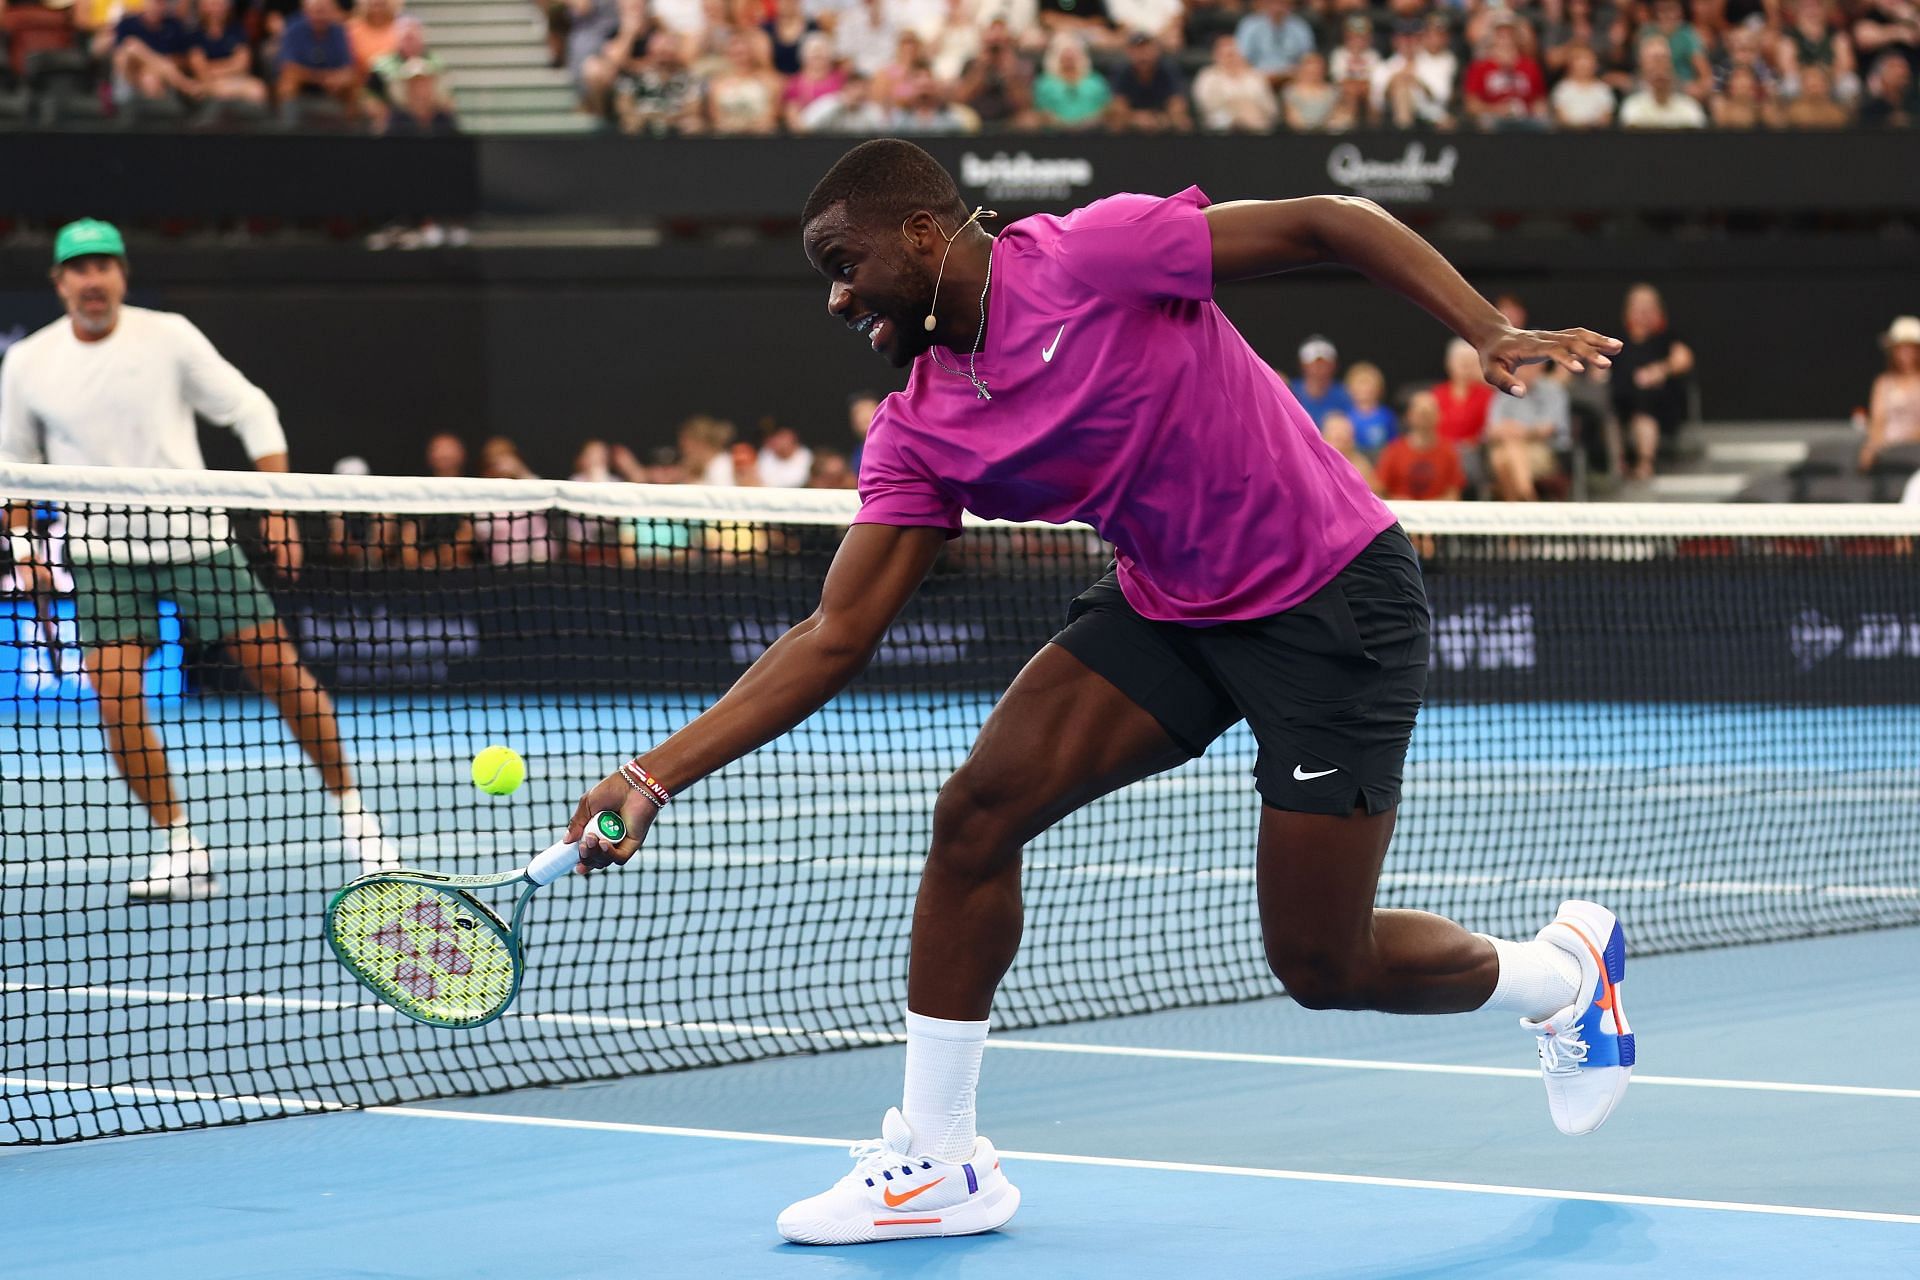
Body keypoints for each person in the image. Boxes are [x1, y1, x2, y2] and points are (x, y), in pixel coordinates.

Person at [560, 139, 1632, 1246]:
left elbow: (1330, 221)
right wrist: (653, 775)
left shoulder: (1097, 255)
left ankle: (1563, 973)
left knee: (1322, 962)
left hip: (1329, 603)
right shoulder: (921, 427)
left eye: (846, 261)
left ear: (926, 237)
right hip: (1172, 607)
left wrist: (1484, 326)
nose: (836, 296)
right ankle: (937, 1161)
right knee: (978, 815)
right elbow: (835, 632)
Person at [0, 220, 400, 901]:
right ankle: (181, 848)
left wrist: (274, 503)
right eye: (79, 268)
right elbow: (17, 465)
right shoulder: (28, 362)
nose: (92, 279)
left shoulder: (170, 335)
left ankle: (361, 825)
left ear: (122, 273)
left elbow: (251, 409)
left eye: (104, 265)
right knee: (117, 699)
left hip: (196, 539)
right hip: (100, 554)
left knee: (281, 675)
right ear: (60, 282)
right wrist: (24, 548)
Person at [1607, 282, 1693, 481]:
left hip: (1655, 400)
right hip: (1618, 400)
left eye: (1648, 307)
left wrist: (1660, 370)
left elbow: (1684, 359)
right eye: (1637, 307)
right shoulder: (1616, 338)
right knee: (1606, 406)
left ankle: (1645, 463)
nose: (1642, 313)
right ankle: (1617, 465)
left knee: (1643, 403)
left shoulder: (1667, 337)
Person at [1483, 359, 1571, 500]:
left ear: (1541, 366)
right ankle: (1528, 498)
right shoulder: (1505, 390)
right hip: (1509, 445)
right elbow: (1491, 429)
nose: (1524, 371)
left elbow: (1548, 428)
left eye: (1530, 367)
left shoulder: (1553, 391)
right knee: (1507, 452)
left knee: (1502, 459)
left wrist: (1522, 431)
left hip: (1544, 449)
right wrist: (1512, 432)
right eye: (1521, 367)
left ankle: (1519, 502)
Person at [1375, 390, 1468, 501]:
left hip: (1438, 516)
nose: (1425, 419)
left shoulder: (1449, 452)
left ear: (1439, 415)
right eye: (1421, 413)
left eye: (1429, 413)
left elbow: (1454, 494)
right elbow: (1378, 491)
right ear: (1409, 416)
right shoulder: (1393, 452)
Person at [1860, 315, 1920, 472]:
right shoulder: (1883, 383)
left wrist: (1901, 443)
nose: (1905, 353)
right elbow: (1878, 420)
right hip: (1887, 452)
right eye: (1900, 348)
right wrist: (1874, 445)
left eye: (1910, 347)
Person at [1289, 334, 1352, 426]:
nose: (1318, 368)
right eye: (1314, 363)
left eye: (1324, 363)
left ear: (1333, 365)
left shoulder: (1344, 394)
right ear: (1302, 365)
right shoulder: (1291, 392)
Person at [1344, 360, 1397, 454]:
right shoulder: (1346, 418)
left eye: (1368, 384)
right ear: (1350, 389)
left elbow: (1394, 446)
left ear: (1379, 388)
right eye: (1360, 384)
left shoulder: (1387, 416)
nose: (1364, 389)